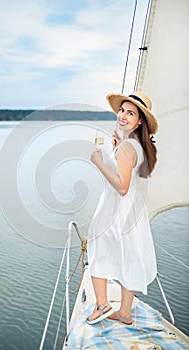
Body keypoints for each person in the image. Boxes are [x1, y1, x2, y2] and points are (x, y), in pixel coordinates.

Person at [87, 92, 158, 325]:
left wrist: (98, 163)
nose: (123, 116)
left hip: (115, 209)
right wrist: (117, 150)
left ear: (139, 121)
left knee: (98, 248)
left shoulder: (128, 146)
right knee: (130, 256)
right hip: (132, 212)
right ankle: (125, 313)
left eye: (131, 113)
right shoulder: (137, 145)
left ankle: (103, 306)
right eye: (122, 110)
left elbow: (122, 187)